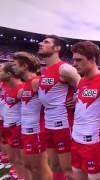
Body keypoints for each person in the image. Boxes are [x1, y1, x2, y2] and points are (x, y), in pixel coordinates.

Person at [70, 41, 100, 180]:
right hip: (76, 139)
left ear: (93, 59)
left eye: (79, 60)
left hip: (94, 143)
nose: (74, 64)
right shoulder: (81, 81)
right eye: (74, 59)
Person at [37, 35, 80, 179]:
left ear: (57, 48)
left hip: (63, 124)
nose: (40, 43)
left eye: (46, 42)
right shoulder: (44, 71)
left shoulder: (64, 68)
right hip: (49, 124)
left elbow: (84, 86)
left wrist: (77, 96)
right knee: (54, 165)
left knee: (68, 169)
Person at [12, 51, 53, 180]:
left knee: (40, 168)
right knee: (29, 166)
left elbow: (53, 100)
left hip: (36, 131)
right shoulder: (25, 85)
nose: (13, 68)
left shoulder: (37, 82)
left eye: (15, 65)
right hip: (26, 131)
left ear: (24, 66)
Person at [0, 62, 28, 179]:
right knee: (13, 157)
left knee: (21, 159)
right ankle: (19, 174)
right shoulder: (7, 87)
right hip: (8, 125)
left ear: (9, 74)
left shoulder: (21, 89)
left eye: (1, 71)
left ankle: (23, 177)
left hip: (18, 127)